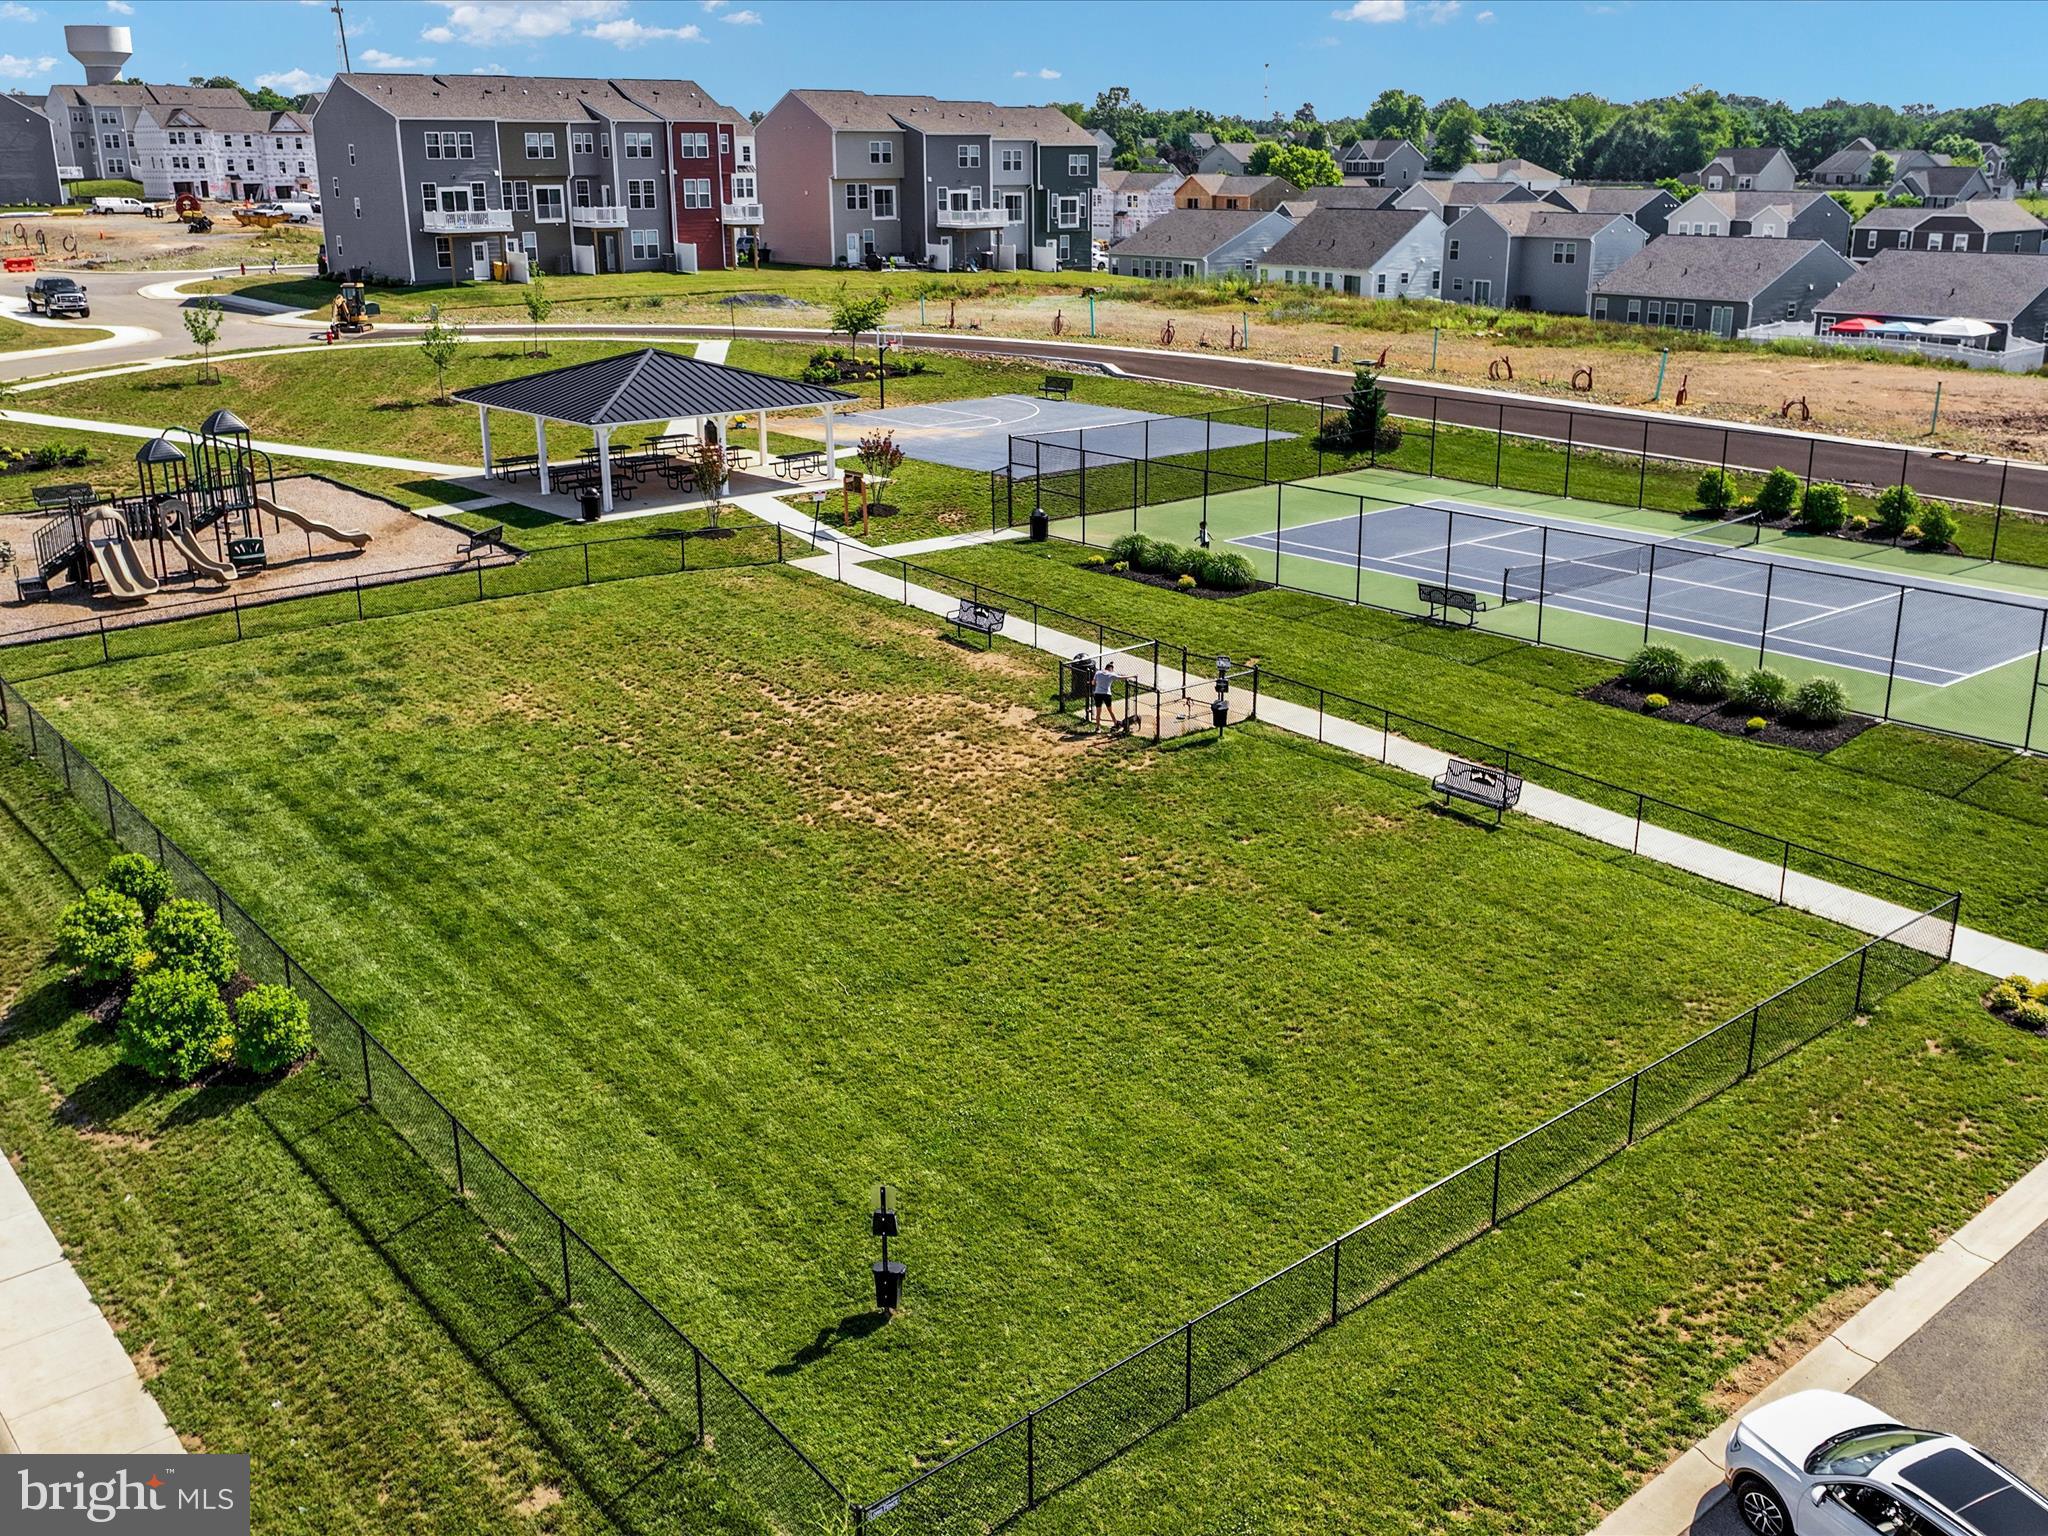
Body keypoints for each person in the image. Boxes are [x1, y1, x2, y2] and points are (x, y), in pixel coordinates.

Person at [1090, 658, 1117, 730]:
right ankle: (1115, 724)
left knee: (1098, 712)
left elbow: (1093, 683)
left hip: (1098, 694)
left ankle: (1098, 727)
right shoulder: (1111, 674)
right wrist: (1132, 676)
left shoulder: (1098, 673)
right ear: (1110, 668)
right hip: (1107, 694)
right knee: (1110, 710)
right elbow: (1121, 677)